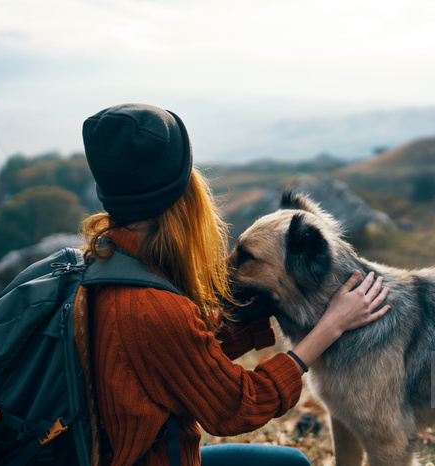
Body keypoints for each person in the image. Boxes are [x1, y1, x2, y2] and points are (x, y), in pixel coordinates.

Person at [81, 103, 390, 465]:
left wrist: (268, 301)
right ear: (183, 196)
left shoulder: (103, 262)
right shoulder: (150, 306)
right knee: (293, 465)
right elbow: (237, 407)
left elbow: (186, 356)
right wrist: (327, 328)